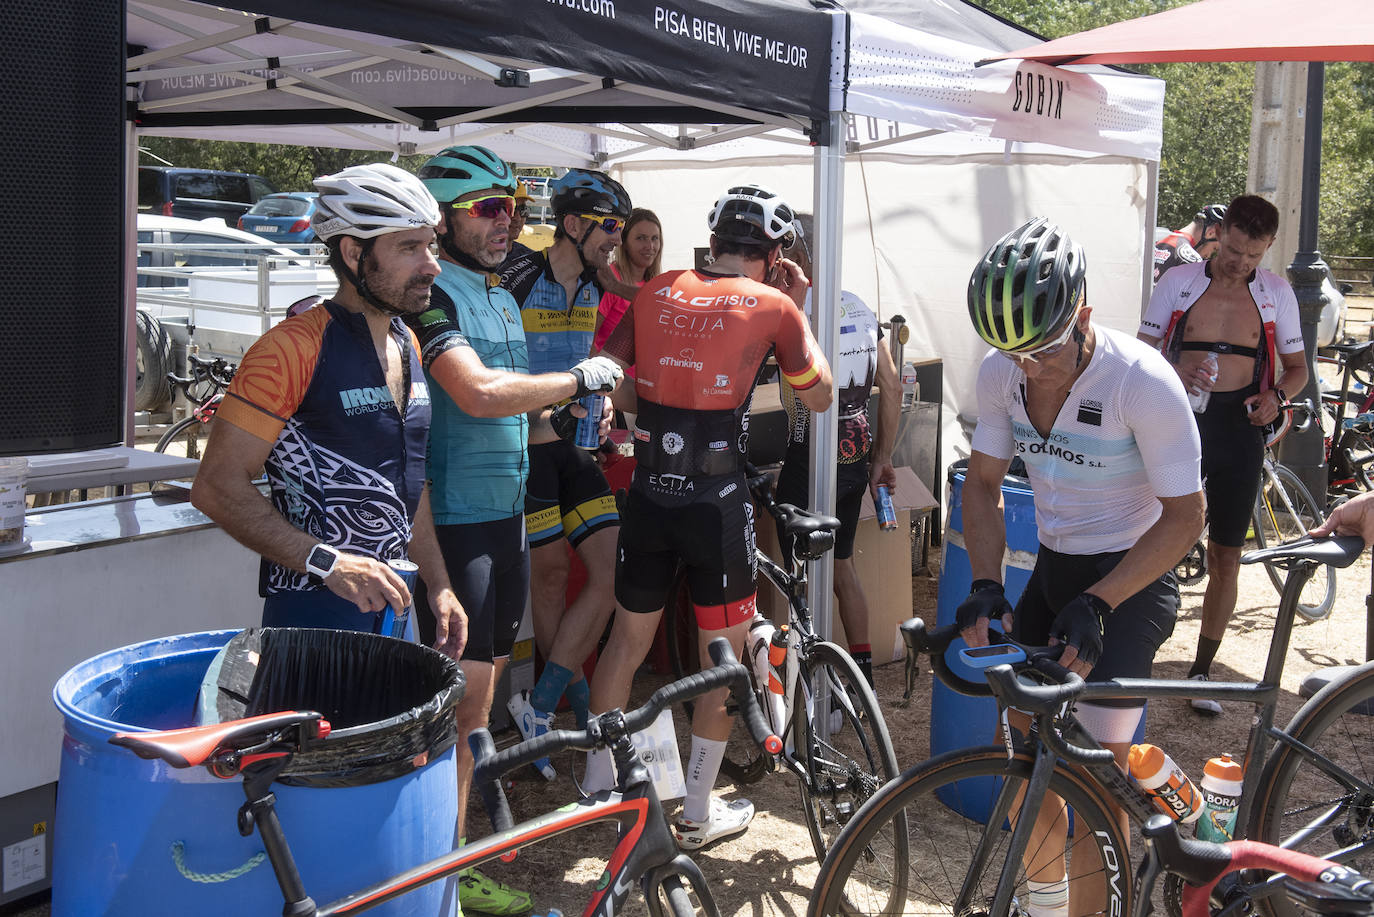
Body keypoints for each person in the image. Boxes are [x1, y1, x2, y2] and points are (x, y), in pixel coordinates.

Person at [959, 217, 1204, 916]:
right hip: (1055, 571)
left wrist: (1101, 600)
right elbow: (981, 485)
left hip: (1133, 577)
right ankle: (1045, 901)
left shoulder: (1140, 381)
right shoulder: (1003, 370)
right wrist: (984, 581)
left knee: (1095, 785)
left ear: (1085, 315)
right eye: (1013, 353)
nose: (1028, 367)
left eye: (1043, 349)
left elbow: (1187, 518)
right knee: (1027, 765)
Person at [410, 145, 623, 916]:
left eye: (515, 208)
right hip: (454, 520)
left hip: (506, 509)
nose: (509, 223)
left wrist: (566, 410)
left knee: (481, 694)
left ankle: (456, 861)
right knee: (457, 699)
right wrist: (577, 379)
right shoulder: (433, 294)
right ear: (443, 219)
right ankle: (439, 872)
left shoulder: (500, 293)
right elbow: (475, 392)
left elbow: (515, 403)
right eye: (488, 209)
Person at [589, 183, 833, 850]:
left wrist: (647, 411)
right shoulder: (775, 304)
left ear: (715, 240)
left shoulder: (657, 286)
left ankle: (594, 789)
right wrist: (796, 309)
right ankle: (696, 812)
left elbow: (608, 370)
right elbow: (819, 395)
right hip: (715, 505)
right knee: (720, 662)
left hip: (649, 493)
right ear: (774, 251)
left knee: (625, 643)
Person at [190, 163, 466, 653]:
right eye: (409, 247)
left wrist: (439, 584)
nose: (432, 265)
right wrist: (329, 562)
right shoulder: (290, 350)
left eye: (431, 245)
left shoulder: (408, 344)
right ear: (354, 253)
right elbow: (215, 486)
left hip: (394, 611)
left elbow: (408, 483)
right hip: (311, 616)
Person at [1139, 194, 1307, 715]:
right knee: (1141, 538)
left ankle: (1202, 671)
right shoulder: (1179, 282)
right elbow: (1140, 353)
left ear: (1268, 248)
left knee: (1226, 555)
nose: (1240, 263)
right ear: (1221, 234)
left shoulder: (1277, 294)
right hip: (1175, 420)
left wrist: (1276, 397)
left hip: (1239, 428)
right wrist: (1174, 369)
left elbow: (1298, 370)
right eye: (1234, 250)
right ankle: (1128, 650)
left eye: (1253, 256)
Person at [497, 169, 637, 780]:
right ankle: (565, 718)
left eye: (622, 229)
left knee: (611, 577)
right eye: (609, 226)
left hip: (575, 445)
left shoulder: (594, 286)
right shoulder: (519, 275)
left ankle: (543, 705)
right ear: (573, 224)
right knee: (550, 578)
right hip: (524, 448)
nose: (618, 239)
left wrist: (602, 399)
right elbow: (487, 365)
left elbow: (599, 358)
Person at [772, 211, 898, 688]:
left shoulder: (792, 313)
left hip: (809, 459)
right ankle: (859, 677)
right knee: (842, 566)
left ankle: (809, 682)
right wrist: (882, 456)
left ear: (799, 258)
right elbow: (891, 385)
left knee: (797, 578)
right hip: (854, 458)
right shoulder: (860, 307)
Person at [593, 207, 663, 353]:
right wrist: (614, 375)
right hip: (612, 374)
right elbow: (587, 343)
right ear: (623, 241)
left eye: (654, 238)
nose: (650, 246)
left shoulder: (657, 285)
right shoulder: (610, 279)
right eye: (641, 238)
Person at [1153, 203, 1227, 283]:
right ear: (1211, 233)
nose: (1208, 255)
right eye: (1214, 249)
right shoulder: (1191, 259)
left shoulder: (1157, 243)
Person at [503, 180, 534, 266]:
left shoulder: (531, 261)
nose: (517, 218)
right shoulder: (472, 264)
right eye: (510, 209)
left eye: (523, 209)